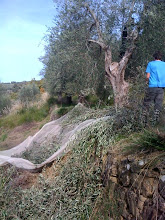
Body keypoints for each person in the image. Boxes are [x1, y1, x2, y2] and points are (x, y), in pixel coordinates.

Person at [142, 51, 165, 126]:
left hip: (152, 86)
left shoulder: (151, 64)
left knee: (146, 104)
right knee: (158, 105)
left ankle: (144, 122)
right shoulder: (164, 64)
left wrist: (145, 82)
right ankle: (155, 122)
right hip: (161, 88)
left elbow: (147, 76)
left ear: (154, 57)